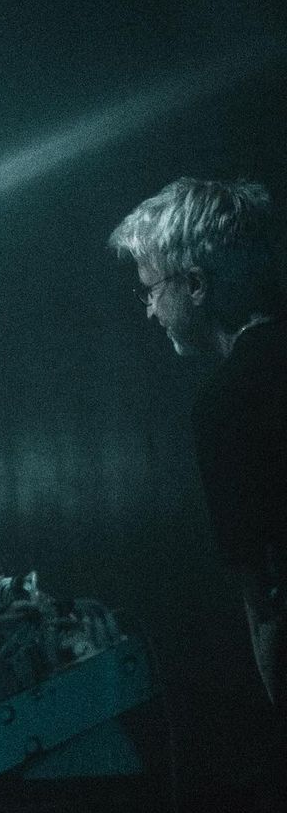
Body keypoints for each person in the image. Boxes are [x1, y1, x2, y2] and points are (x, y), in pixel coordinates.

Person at [108, 177, 286, 726]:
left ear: (195, 285)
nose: (149, 311)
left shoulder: (227, 401)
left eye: (151, 290)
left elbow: (264, 597)